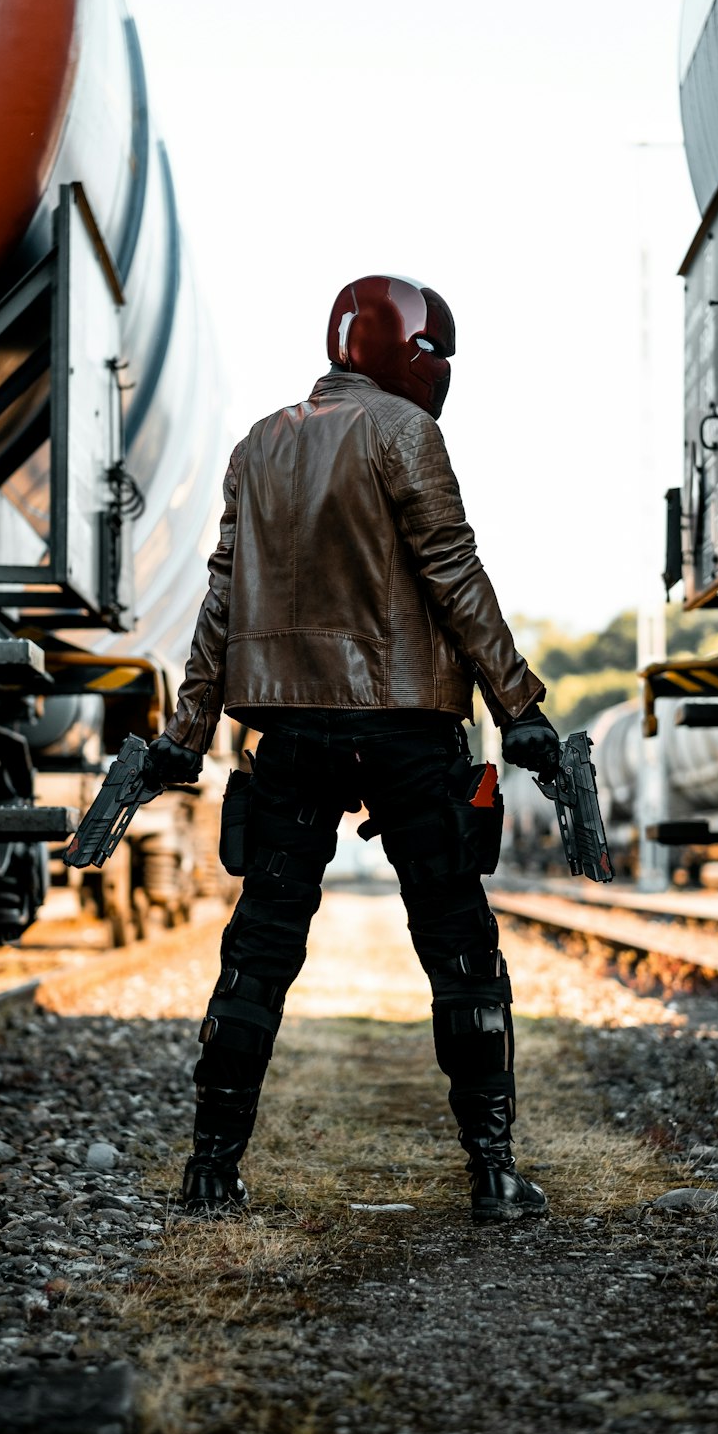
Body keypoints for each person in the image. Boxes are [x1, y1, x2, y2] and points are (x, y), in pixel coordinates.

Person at [148, 274, 560, 1224]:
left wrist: (183, 734)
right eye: (434, 353)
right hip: (408, 734)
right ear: (404, 350)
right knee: (459, 946)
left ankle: (211, 1168)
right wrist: (518, 702)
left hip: (289, 736)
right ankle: (493, 1173)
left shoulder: (258, 444)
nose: (439, 372)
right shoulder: (406, 434)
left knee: (257, 951)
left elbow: (221, 603)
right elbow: (453, 574)